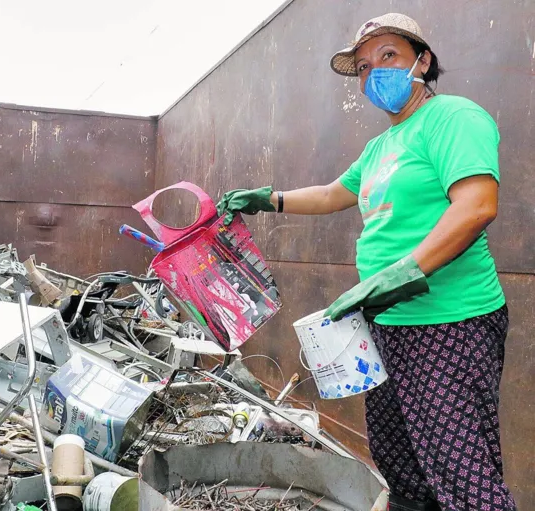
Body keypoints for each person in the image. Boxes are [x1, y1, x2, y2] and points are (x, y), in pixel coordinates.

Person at [216, 13, 516, 511]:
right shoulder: (381, 146)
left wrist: (406, 272)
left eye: (388, 56)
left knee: (462, 473)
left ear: (423, 60)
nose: (373, 72)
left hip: (449, 322)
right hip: (385, 322)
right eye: (362, 66)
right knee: (400, 462)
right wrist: (269, 198)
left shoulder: (453, 118)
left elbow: (478, 205)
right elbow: (336, 192)